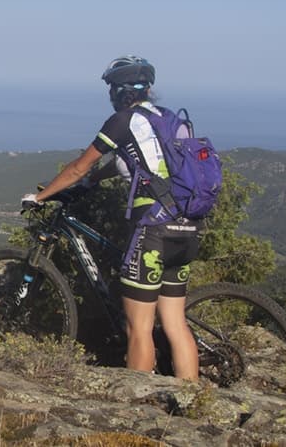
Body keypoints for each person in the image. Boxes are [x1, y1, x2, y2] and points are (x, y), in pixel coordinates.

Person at [22, 55, 200, 380]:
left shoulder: (123, 121)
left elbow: (79, 166)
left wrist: (41, 195)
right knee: (175, 323)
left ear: (120, 91)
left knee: (138, 328)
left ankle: (137, 409)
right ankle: (194, 402)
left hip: (153, 231)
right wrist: (95, 181)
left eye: (111, 90)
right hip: (186, 226)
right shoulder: (171, 119)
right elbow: (128, 165)